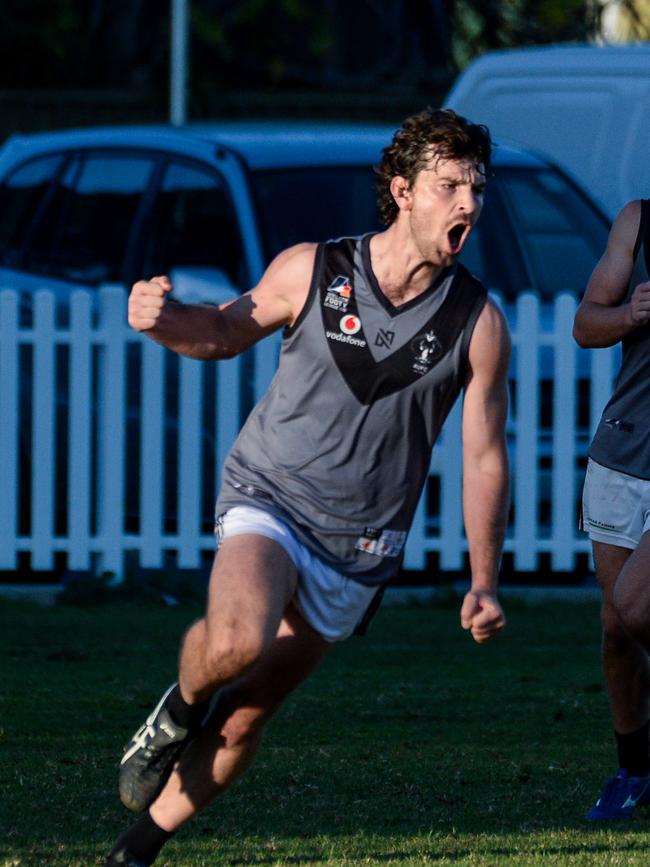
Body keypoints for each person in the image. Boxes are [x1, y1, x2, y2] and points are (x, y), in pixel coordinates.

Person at [105, 108, 510, 866]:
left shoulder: (478, 322)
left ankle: (137, 848)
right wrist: (160, 319)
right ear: (403, 191)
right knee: (234, 640)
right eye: (450, 185)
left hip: (358, 546)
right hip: (271, 495)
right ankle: (176, 708)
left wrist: (484, 580)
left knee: (249, 713)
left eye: (476, 188)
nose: (468, 203)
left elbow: (485, 455)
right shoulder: (314, 268)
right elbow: (224, 329)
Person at [574, 197, 650, 820]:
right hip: (622, 453)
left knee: (637, 604)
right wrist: (630, 312)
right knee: (616, 627)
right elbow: (584, 325)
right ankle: (635, 771)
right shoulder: (638, 221)